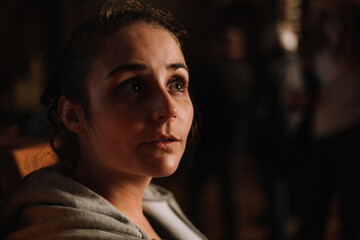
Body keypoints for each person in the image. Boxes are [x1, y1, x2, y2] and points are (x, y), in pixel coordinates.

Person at [0, 1, 207, 239]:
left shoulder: (154, 203)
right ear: (73, 114)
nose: (169, 108)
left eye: (177, 84)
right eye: (133, 86)